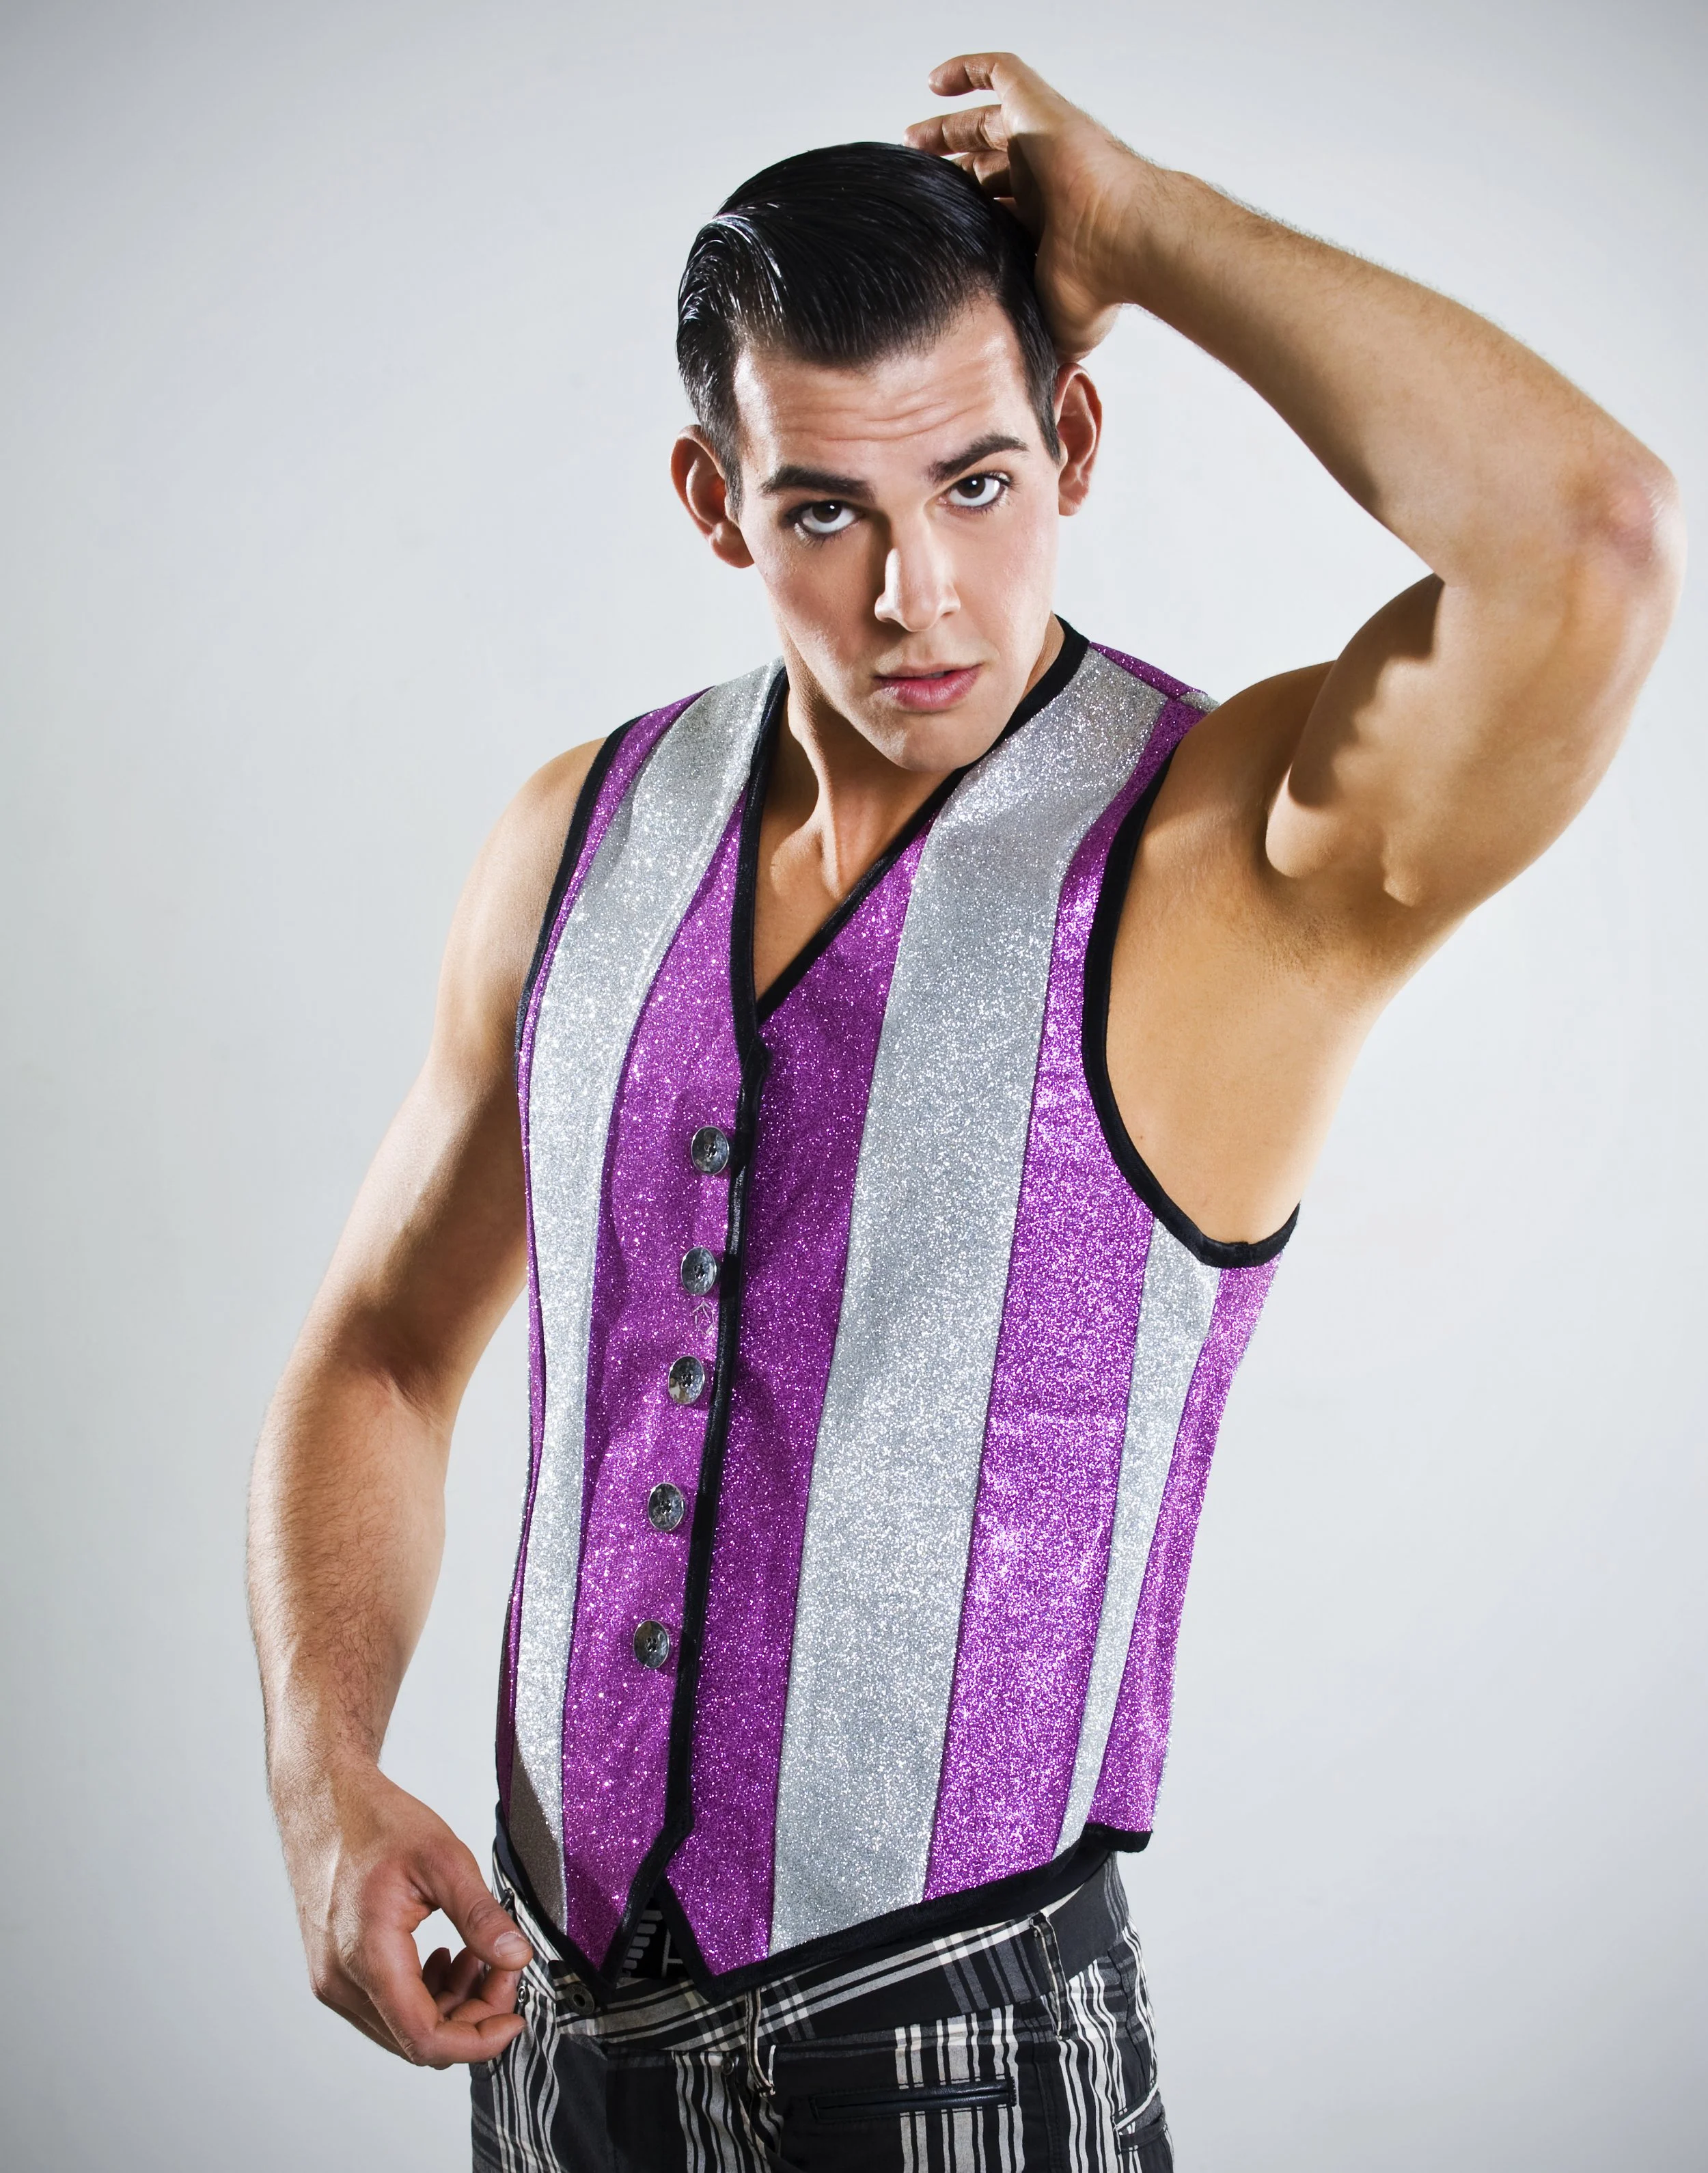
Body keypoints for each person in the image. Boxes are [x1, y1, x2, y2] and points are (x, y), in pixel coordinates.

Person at [247, 49, 1681, 2173]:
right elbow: (381, 1345)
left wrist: (1145, 229)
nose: (914, 591)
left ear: (1073, 441)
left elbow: (1590, 535)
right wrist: (324, 1772)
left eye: (977, 485)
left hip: (955, 2046)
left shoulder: (1222, 865)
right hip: (551, 2043)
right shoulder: (573, 838)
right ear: (716, 502)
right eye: (827, 511)